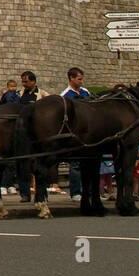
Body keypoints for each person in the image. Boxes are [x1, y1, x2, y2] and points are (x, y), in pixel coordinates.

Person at [61, 67, 91, 200]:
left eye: (82, 79)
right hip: (75, 133)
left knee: (90, 163)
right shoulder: (65, 95)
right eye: (79, 79)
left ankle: (90, 191)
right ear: (71, 79)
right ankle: (76, 192)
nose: (81, 81)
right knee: (75, 164)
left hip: (89, 133)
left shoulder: (85, 92)